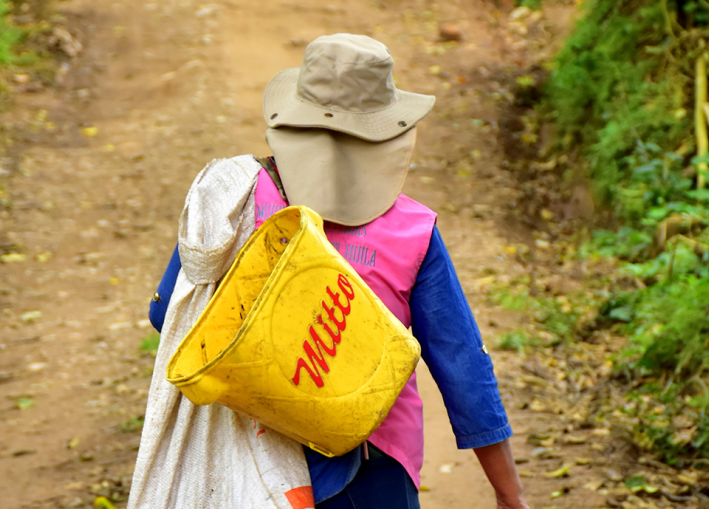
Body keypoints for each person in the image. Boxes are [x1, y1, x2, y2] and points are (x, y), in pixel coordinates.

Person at [148, 33, 529, 509]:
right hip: (374, 467)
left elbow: (170, 318)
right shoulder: (414, 231)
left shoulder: (232, 202)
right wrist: (508, 493)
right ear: (388, 132)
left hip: (253, 459)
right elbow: (463, 368)